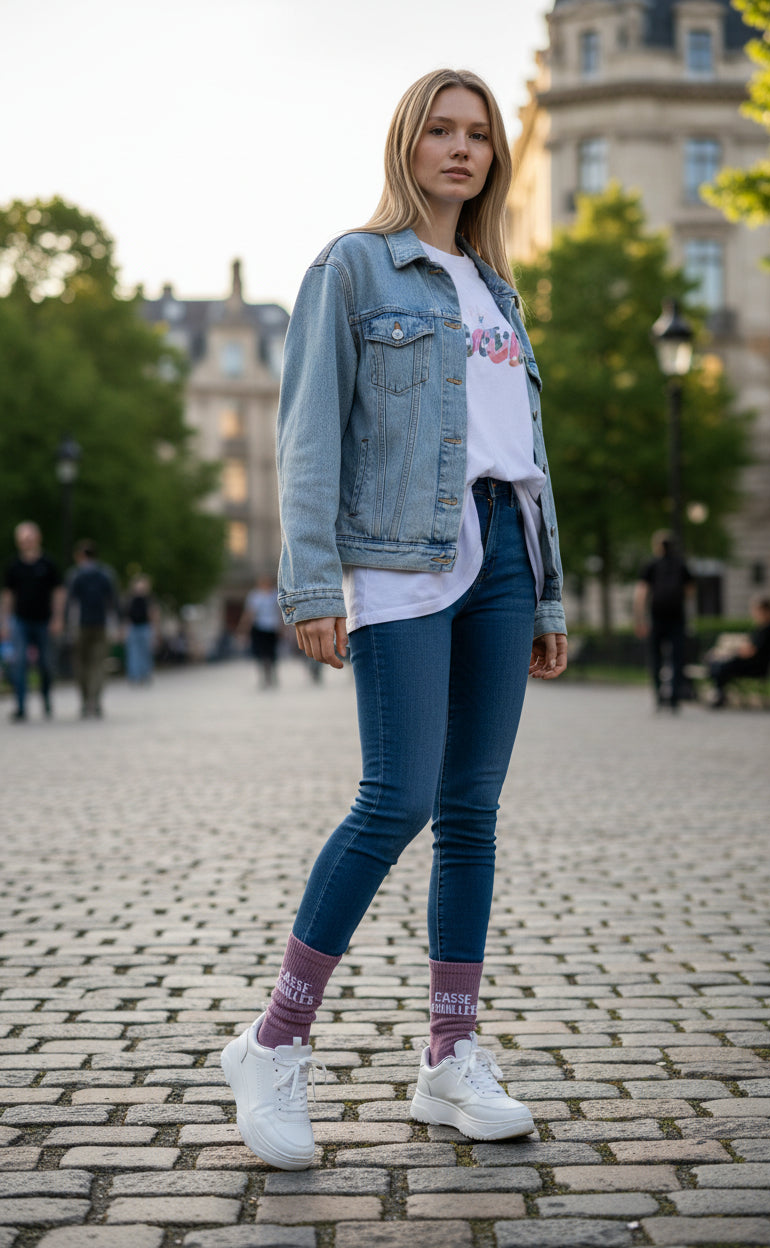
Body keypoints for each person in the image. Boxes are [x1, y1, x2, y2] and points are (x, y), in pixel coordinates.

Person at [221, 68, 568, 1171]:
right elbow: (308, 433)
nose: (461, 149)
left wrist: (547, 590)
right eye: (440, 130)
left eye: (479, 135)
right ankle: (273, 1043)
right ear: (406, 144)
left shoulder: (499, 292)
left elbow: (525, 454)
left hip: (504, 552)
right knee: (397, 798)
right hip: (401, 557)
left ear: (493, 158)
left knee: (472, 812)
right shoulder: (353, 267)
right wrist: (311, 581)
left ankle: (449, 1058)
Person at [1, 522, 64, 722]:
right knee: (19, 662)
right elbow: (8, 595)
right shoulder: (14, 566)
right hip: (20, 621)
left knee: (46, 663)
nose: (26, 542)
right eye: (22, 539)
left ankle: (46, 698)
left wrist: (57, 618)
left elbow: (58, 592)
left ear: (38, 538)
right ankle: (20, 706)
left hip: (44, 620)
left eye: (29, 538)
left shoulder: (48, 563)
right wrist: (5, 622)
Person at [634, 530, 694, 710]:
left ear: (657, 546)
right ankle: (675, 697)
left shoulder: (651, 565)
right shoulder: (681, 564)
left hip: (657, 617)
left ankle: (659, 695)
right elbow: (690, 591)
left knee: (656, 658)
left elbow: (641, 594)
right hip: (677, 617)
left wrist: (639, 619)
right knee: (677, 658)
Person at [66, 540, 118, 718]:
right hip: (101, 625)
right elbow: (113, 601)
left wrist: (66, 624)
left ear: (80, 555)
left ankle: (84, 699)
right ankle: (95, 700)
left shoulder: (75, 575)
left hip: (80, 625)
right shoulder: (106, 574)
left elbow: (70, 602)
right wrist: (118, 623)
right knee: (98, 664)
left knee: (81, 663)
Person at [709, 595, 770, 707]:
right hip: (752, 663)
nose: (754, 614)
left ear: (766, 611)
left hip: (758, 666)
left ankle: (720, 695)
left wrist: (735, 651)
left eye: (757, 611)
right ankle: (719, 693)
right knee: (716, 663)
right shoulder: (762, 627)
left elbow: (753, 650)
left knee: (721, 666)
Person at [237, 574, 281, 688]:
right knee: (260, 653)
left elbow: (279, 612)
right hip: (259, 627)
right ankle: (264, 675)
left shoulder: (275, 595)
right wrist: (244, 628)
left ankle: (272, 673)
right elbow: (249, 612)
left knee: (271, 652)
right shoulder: (254, 595)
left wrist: (282, 627)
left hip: (272, 627)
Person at [124, 575, 158, 684]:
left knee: (145, 652)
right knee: (133, 653)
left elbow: (153, 614)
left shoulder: (149, 599)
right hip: (133, 628)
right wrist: (125, 629)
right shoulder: (130, 600)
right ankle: (135, 675)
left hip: (145, 627)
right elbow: (127, 616)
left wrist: (154, 629)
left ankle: (145, 674)